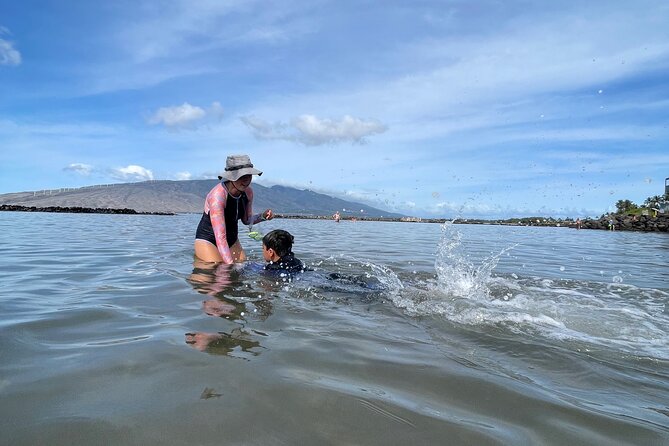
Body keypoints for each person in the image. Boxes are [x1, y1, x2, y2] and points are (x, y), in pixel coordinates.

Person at [195, 154, 273, 263]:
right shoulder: (218, 196)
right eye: (241, 176)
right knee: (218, 268)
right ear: (231, 177)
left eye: (249, 175)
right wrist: (229, 266)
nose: (246, 180)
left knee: (241, 266)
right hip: (209, 239)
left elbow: (246, 220)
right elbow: (220, 237)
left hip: (232, 239)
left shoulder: (248, 192)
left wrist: (263, 216)